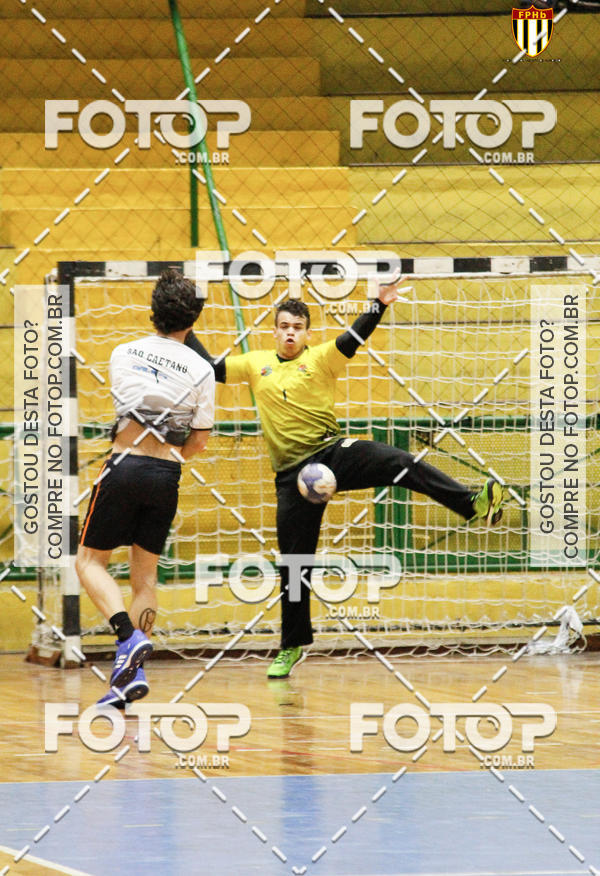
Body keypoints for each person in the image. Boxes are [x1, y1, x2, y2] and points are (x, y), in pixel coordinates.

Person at [185, 275, 505, 678]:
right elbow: (212, 369)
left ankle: (471, 504)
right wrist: (185, 328)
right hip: (291, 478)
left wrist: (379, 303)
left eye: (297, 328)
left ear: (306, 334)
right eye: (284, 326)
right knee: (294, 565)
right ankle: (292, 646)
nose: (290, 333)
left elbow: (352, 338)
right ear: (274, 330)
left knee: (396, 461)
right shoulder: (254, 364)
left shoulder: (319, 358)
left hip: (332, 453)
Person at [76, 268, 215, 706]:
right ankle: (126, 680)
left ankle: (124, 636)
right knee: (145, 578)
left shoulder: (123, 352)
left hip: (125, 466)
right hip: (166, 477)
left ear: (153, 311)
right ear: (193, 321)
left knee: (88, 563)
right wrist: (171, 457)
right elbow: (198, 441)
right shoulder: (202, 368)